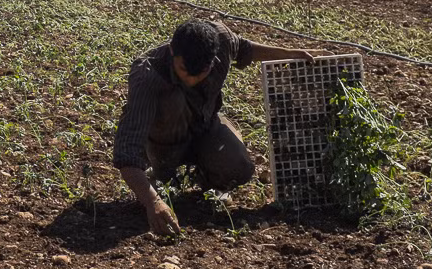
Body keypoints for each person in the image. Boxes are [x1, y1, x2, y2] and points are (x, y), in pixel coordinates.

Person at [113, 18, 327, 235]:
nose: (191, 80)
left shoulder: (222, 40)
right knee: (173, 102)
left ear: (214, 59)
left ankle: (203, 179)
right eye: (183, 70)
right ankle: (163, 175)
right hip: (163, 140)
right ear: (171, 51)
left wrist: (291, 53)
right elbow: (126, 153)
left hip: (205, 126)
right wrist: (153, 202)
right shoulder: (148, 75)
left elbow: (245, 49)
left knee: (240, 168)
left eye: (201, 73)